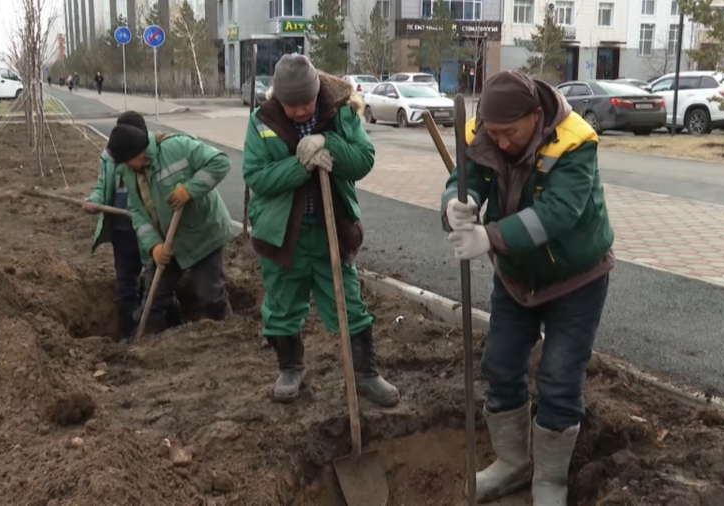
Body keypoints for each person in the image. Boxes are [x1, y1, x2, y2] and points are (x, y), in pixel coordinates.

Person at [441, 70, 614, 505]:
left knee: (558, 378)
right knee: (500, 364)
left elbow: (558, 213)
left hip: (576, 279)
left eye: (510, 134)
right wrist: (455, 205)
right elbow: (471, 176)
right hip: (517, 278)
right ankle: (513, 463)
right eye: (492, 134)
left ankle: (550, 480)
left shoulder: (575, 143)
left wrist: (490, 236)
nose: (500, 143)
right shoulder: (486, 134)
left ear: (536, 116)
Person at [242, 54, 399, 407]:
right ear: (277, 99)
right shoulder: (261, 121)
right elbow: (256, 176)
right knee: (282, 305)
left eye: (305, 104)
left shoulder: (342, 112)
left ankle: (365, 373)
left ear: (317, 93)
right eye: (291, 105)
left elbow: (363, 160)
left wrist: (329, 143)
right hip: (282, 235)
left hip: (331, 229)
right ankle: (290, 368)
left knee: (349, 303)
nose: (299, 112)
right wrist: (301, 166)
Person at [106, 122, 235, 335]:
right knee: (153, 299)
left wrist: (190, 190)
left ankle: (230, 335)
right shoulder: (129, 172)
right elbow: (137, 213)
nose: (126, 167)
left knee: (210, 296)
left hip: (202, 234)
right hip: (168, 241)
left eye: (128, 161)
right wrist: (154, 245)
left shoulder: (178, 147)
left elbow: (220, 162)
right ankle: (150, 346)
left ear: (138, 152)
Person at [83, 111, 150, 342]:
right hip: (122, 230)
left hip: (149, 230)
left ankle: (160, 326)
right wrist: (95, 201)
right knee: (125, 283)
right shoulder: (109, 159)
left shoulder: (147, 155)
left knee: (155, 278)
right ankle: (130, 332)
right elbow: (102, 187)